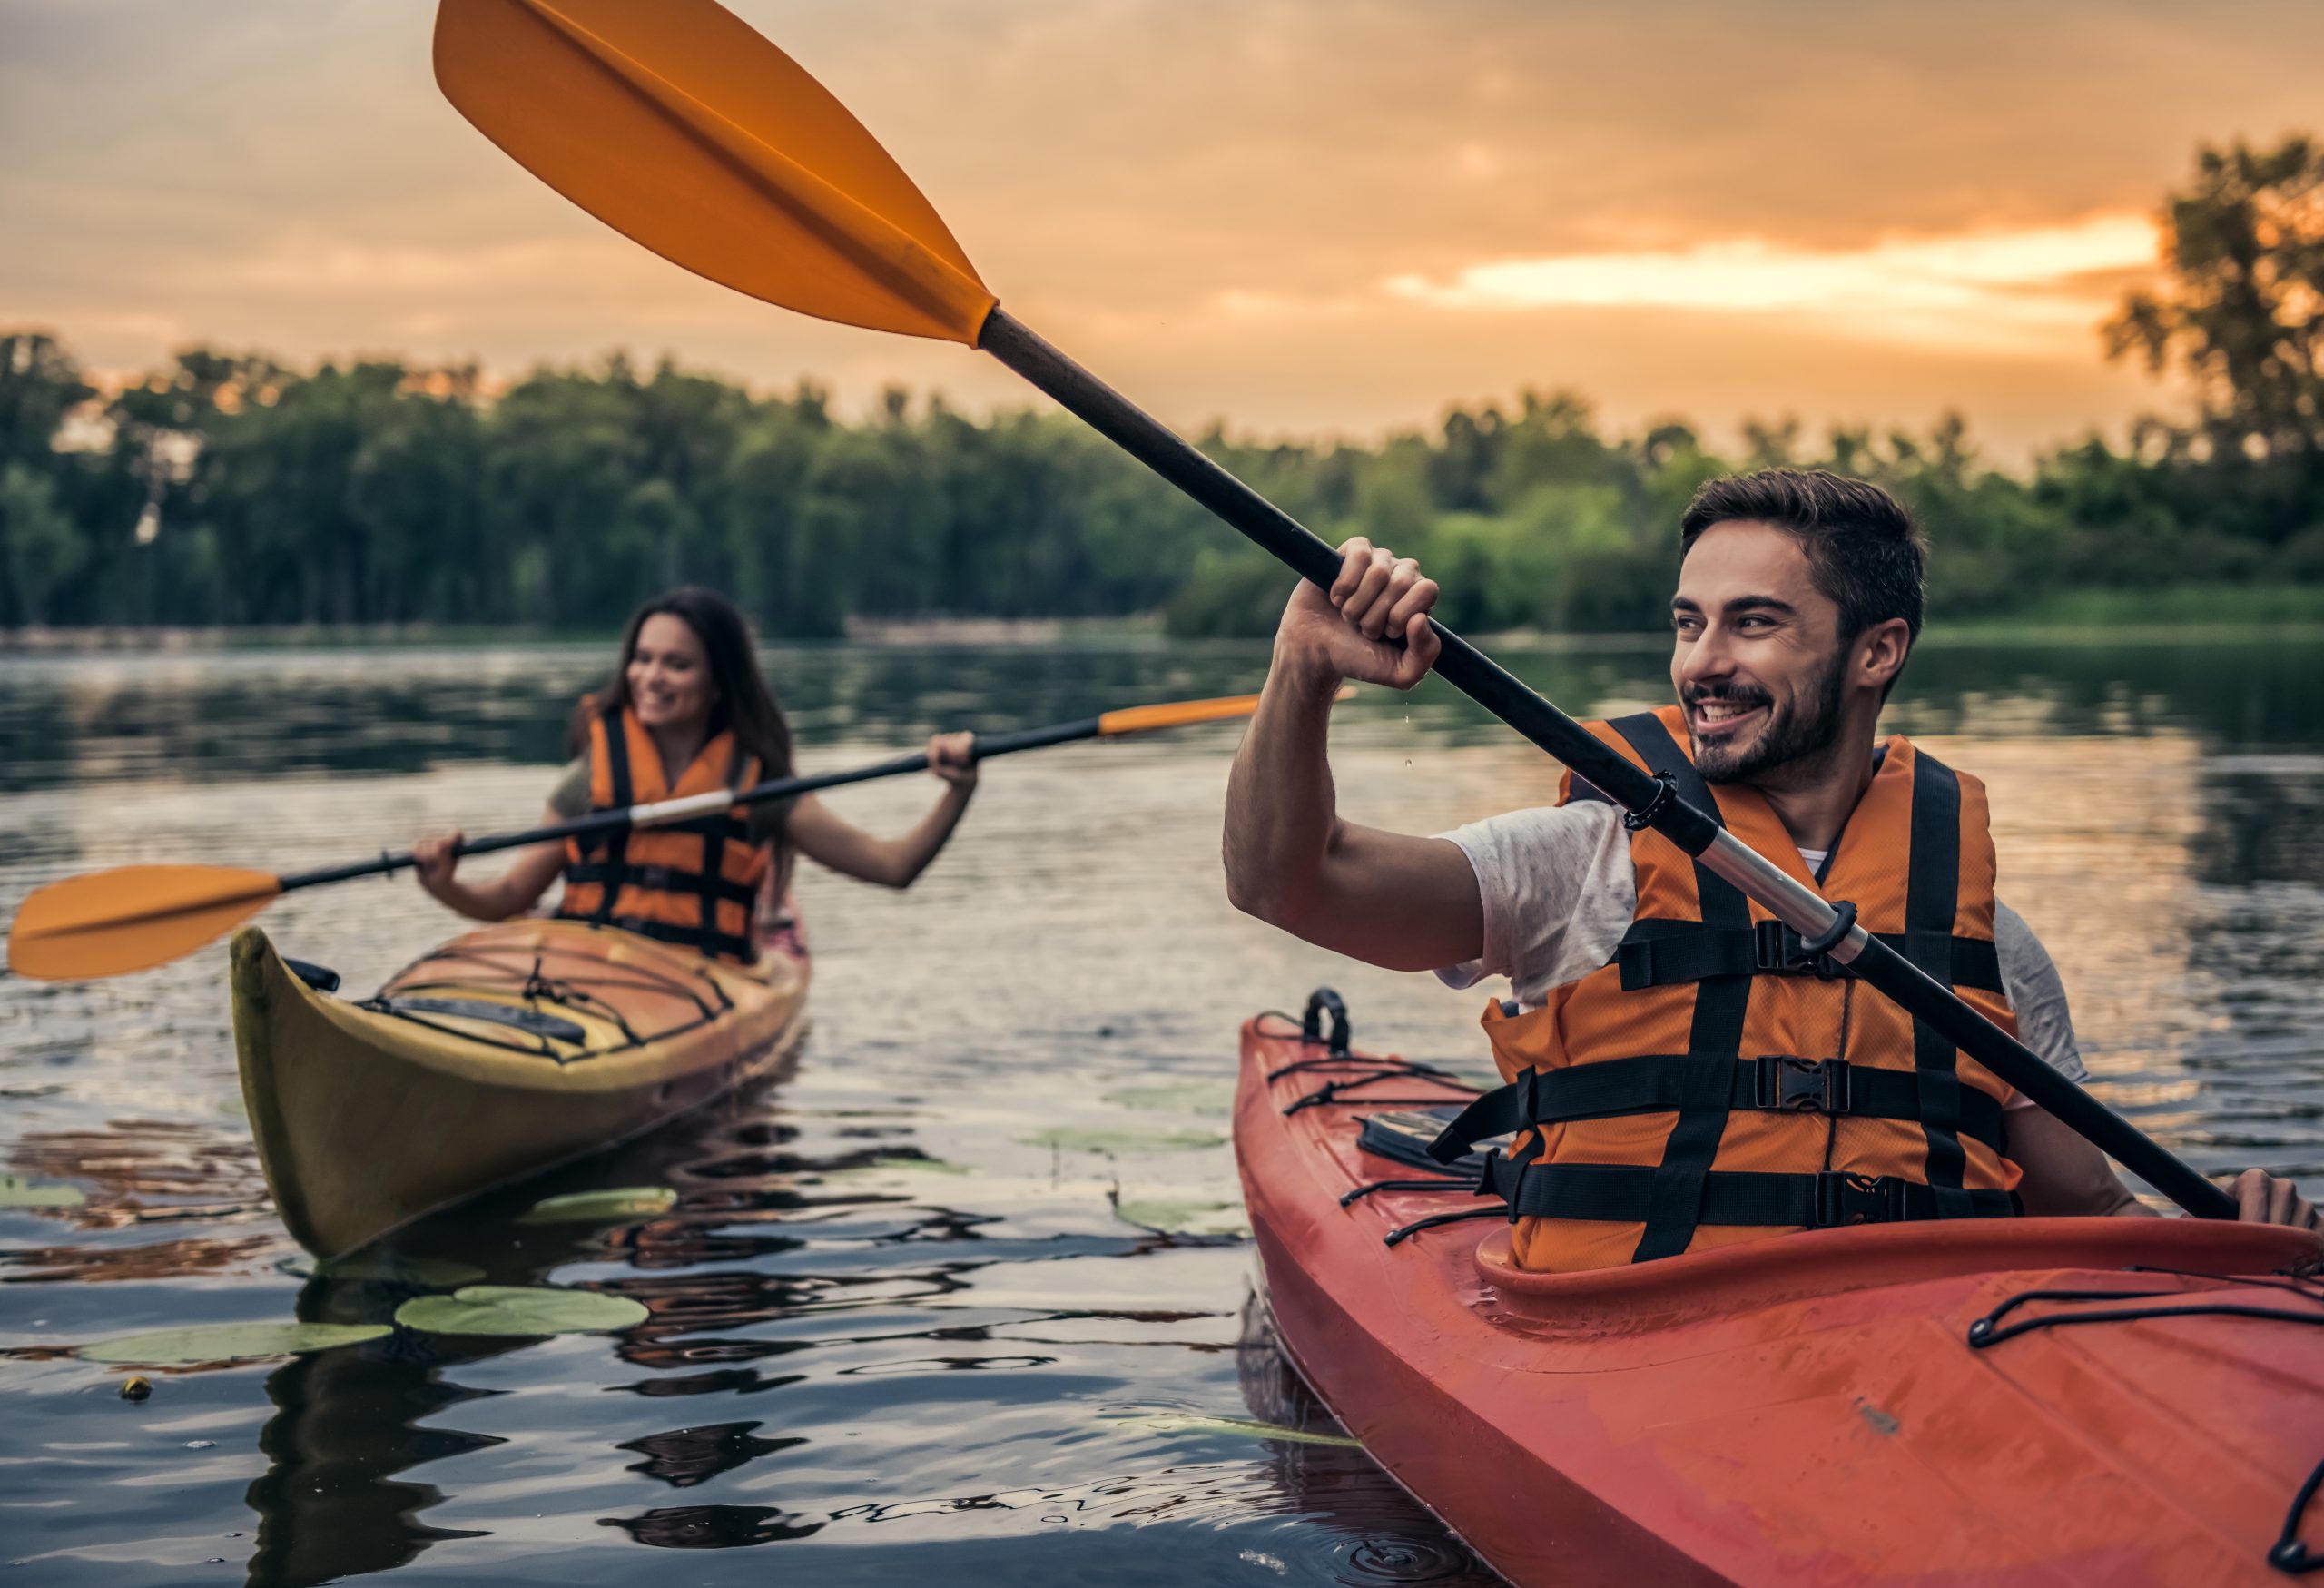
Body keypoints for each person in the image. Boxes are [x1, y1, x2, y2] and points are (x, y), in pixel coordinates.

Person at [1223, 468, 2319, 1272]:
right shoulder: (1584, 864)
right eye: (1689, 623)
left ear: (1875, 652)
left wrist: (2234, 1242)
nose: (1703, 663)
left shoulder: (1986, 944)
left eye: (1753, 624)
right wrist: (1302, 669)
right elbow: (1288, 879)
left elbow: (2088, 1212)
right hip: (1630, 1340)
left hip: (1914, 1357)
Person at [413, 587, 977, 965]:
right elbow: (510, 894)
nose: (651, 677)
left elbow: (892, 867)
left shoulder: (761, 790)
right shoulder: (589, 780)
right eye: (643, 658)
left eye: (676, 664)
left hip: (696, 981)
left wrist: (957, 791)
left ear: (718, 683)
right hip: (581, 970)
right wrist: (445, 882)